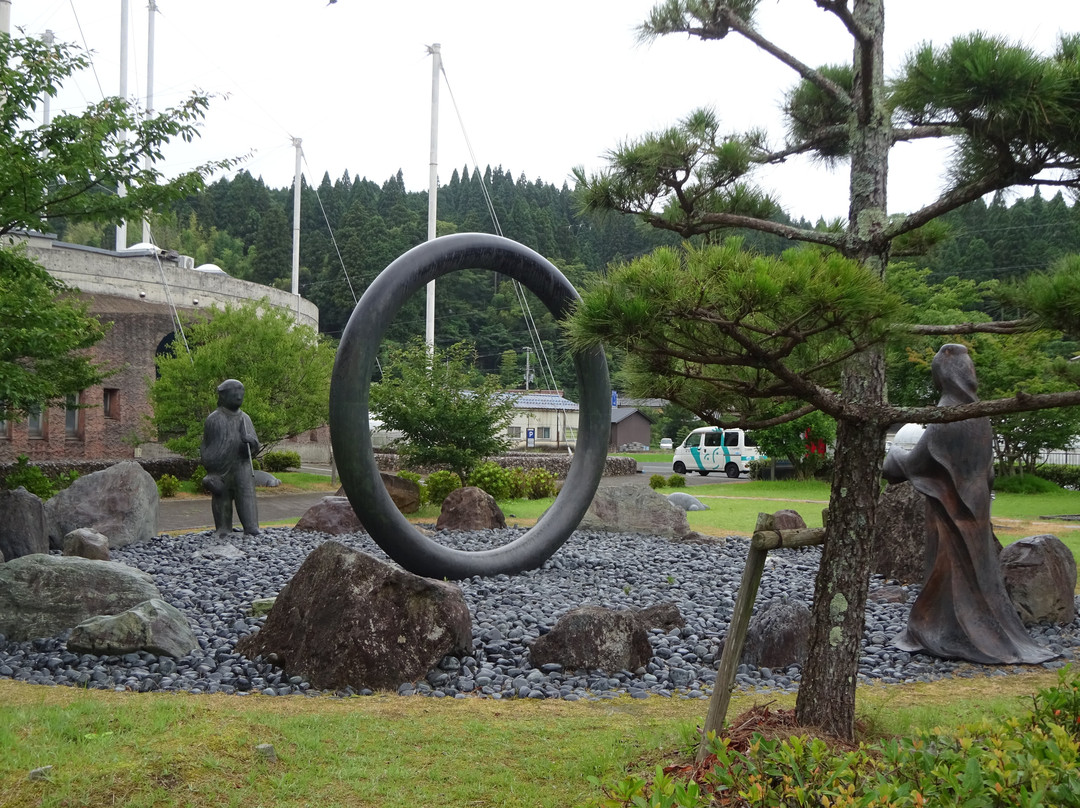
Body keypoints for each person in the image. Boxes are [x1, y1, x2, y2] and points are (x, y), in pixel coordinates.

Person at [883, 344, 1053, 664]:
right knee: (979, 569)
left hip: (949, 509)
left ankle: (950, 630)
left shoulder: (948, 410)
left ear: (941, 375)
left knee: (952, 570)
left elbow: (917, 462)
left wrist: (894, 458)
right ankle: (989, 628)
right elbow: (989, 472)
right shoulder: (979, 414)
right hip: (974, 506)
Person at [200, 379, 261, 537]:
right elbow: (207, 448)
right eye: (234, 393)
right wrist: (211, 472)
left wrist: (251, 442)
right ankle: (223, 527)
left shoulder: (245, 419)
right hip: (221, 470)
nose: (239, 396)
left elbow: (255, 446)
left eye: (241, 392)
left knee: (246, 495)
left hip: (242, 466)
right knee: (222, 498)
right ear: (223, 396)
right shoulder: (214, 420)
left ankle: (251, 526)